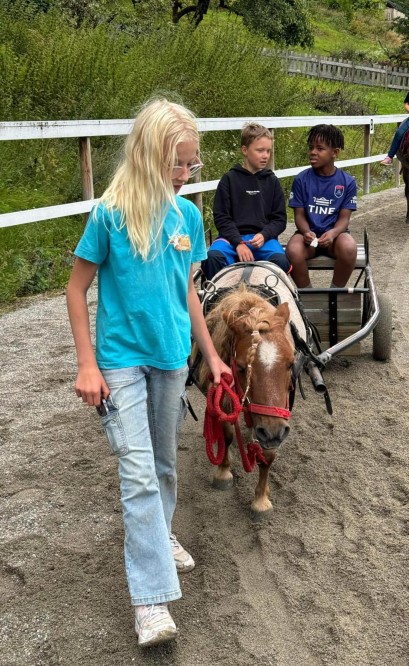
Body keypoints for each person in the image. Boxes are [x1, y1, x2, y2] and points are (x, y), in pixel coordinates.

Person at [66, 97, 232, 648]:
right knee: (137, 475)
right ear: (146, 155)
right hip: (119, 363)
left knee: (164, 467)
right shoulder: (110, 214)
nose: (185, 176)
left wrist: (209, 356)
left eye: (192, 165)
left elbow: (187, 291)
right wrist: (87, 365)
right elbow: (76, 288)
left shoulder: (187, 216)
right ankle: (150, 602)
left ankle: (160, 534)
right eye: (175, 164)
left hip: (170, 360)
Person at [201, 122, 290, 280]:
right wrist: (238, 243)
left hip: (263, 240)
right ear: (245, 150)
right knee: (212, 258)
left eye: (268, 151)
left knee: (280, 260)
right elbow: (221, 218)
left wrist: (264, 234)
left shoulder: (272, 181)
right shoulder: (229, 180)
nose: (265, 155)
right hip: (231, 240)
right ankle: (221, 301)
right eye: (260, 150)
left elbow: (279, 219)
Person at [286, 124, 357, 288]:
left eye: (320, 148)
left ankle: (335, 292)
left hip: (335, 238)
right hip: (308, 238)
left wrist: (333, 233)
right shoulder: (301, 179)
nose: (313, 152)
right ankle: (308, 295)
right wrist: (306, 232)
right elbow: (299, 215)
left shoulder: (347, 182)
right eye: (311, 147)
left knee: (349, 248)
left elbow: (344, 219)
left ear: (335, 153)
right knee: (293, 250)